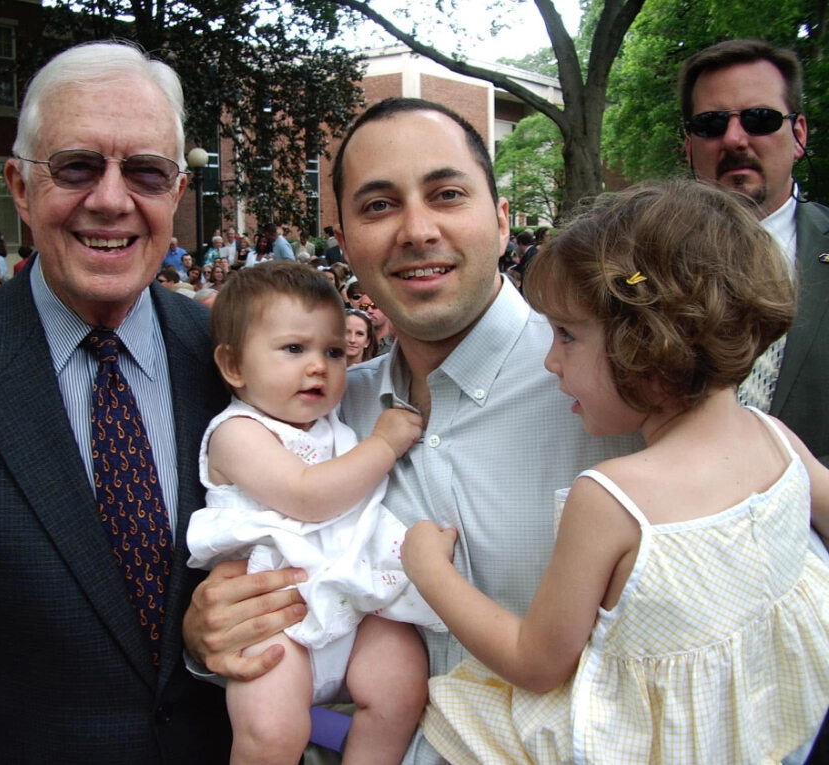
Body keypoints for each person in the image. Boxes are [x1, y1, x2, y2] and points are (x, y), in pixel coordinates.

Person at [182, 98, 636, 764]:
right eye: (378, 206)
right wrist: (208, 634)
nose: (417, 229)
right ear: (344, 240)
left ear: (503, 219)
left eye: (447, 194)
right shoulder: (325, 418)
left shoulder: (616, 390)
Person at [0, 40, 231, 762]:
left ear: (177, 195)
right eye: (78, 166)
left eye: (145, 171)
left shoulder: (231, 360)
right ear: (20, 187)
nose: (112, 199)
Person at [406, 180, 829, 763]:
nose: (550, 360)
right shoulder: (776, 439)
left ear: (646, 340)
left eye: (567, 336)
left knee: (440, 725)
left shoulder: (611, 499)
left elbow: (536, 662)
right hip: (769, 731)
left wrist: (430, 571)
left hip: (636, 746)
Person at [185, 261, 439, 764]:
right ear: (234, 366)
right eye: (294, 349)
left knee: (402, 691)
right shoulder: (238, 432)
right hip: (277, 611)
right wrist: (384, 443)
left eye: (333, 351)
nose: (319, 366)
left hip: (357, 597)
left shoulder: (331, 424)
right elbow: (306, 495)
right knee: (271, 731)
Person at [680, 39, 829, 466]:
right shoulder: (639, 266)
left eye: (759, 119)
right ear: (689, 145)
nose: (734, 139)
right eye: (710, 124)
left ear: (798, 135)